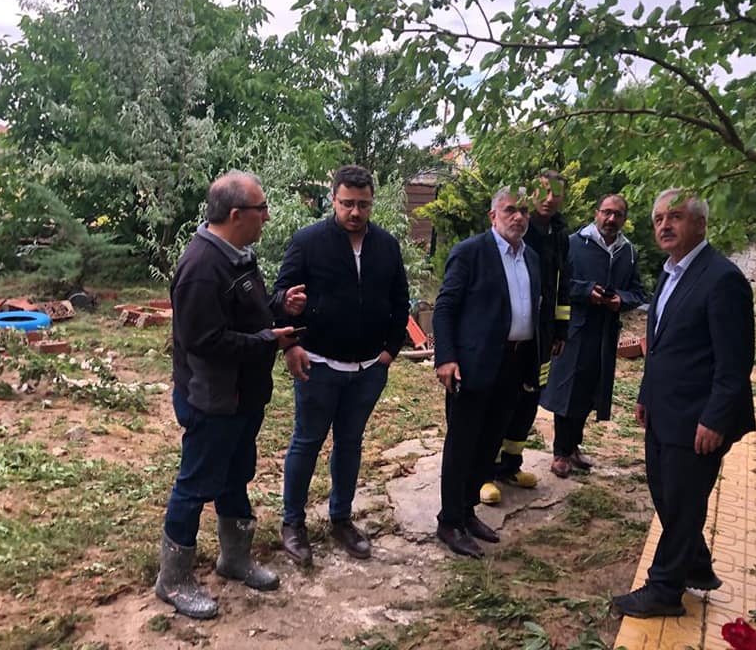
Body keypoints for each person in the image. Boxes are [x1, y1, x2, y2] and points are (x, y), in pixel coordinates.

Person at [156, 170, 306, 620]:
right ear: (237, 214)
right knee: (196, 484)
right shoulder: (201, 268)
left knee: (236, 473)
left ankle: (234, 559)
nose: (267, 216)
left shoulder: (239, 256)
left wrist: (280, 306)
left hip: (243, 396)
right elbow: (205, 341)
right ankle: (174, 579)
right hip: (212, 399)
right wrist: (270, 341)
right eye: (261, 209)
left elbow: (248, 314)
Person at [614, 189, 756, 618]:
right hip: (664, 409)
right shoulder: (671, 272)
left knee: (683, 501)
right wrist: (645, 395)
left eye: (674, 216)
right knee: (667, 493)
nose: (664, 226)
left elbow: (735, 363)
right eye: (658, 218)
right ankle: (696, 563)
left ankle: (663, 590)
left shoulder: (722, 279)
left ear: (700, 224)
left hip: (698, 418)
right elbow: (658, 345)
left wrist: (715, 419)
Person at [274, 165, 409, 567]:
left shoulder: (386, 246)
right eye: (347, 203)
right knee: (308, 441)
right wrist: (290, 341)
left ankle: (341, 518)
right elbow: (281, 294)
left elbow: (401, 301)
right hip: (318, 364)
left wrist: (388, 353)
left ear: (372, 204)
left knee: (350, 443)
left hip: (369, 368)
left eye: (363, 204)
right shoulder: (308, 241)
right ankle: (293, 523)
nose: (355, 212)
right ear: (333, 199)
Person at [433, 187, 541, 558]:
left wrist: (531, 366)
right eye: (510, 210)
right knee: (462, 443)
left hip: (513, 364)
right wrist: (445, 358)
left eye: (523, 211)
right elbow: (445, 307)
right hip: (472, 365)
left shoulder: (531, 258)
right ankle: (448, 521)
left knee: (489, 444)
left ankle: (467, 511)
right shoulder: (471, 253)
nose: (518, 217)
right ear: (493, 216)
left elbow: (533, 315)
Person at [540, 194, 646, 478]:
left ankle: (574, 445)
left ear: (624, 219)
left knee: (591, 391)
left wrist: (620, 300)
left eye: (618, 215)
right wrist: (586, 291)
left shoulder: (628, 252)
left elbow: (638, 292)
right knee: (568, 390)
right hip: (575, 329)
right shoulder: (574, 243)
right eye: (606, 213)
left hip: (606, 333)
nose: (611, 219)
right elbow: (556, 284)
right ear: (596, 212)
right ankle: (560, 452)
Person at [482, 171, 571, 504]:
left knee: (528, 400)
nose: (550, 199)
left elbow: (563, 283)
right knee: (496, 403)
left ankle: (510, 464)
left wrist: (559, 329)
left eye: (556, 194)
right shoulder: (515, 229)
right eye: (544, 193)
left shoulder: (561, 234)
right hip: (507, 338)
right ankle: (486, 469)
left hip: (541, 337)